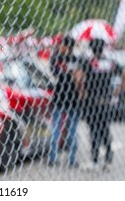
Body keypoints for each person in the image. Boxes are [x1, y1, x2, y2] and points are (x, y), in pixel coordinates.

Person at [79, 38, 125, 170]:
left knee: (94, 130)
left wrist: (83, 93)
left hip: (92, 102)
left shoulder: (89, 63)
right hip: (106, 101)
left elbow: (79, 78)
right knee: (105, 128)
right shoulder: (110, 62)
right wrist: (117, 90)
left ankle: (95, 159)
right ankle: (108, 155)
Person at [48, 35, 81, 168]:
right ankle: (70, 160)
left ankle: (54, 158)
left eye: (62, 45)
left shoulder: (57, 59)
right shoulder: (75, 60)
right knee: (69, 130)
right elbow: (77, 77)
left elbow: (54, 71)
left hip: (62, 97)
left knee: (59, 129)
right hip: (69, 98)